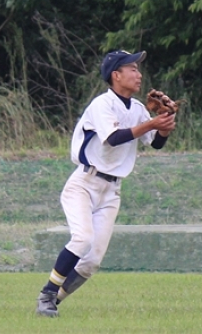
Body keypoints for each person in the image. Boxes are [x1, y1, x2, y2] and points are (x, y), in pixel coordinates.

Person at [35, 49, 176, 317]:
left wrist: (165, 126)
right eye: (132, 68)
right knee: (82, 238)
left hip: (112, 191)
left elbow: (156, 143)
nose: (138, 74)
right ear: (116, 75)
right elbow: (113, 138)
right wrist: (152, 124)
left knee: (92, 262)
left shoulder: (137, 109)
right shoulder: (103, 104)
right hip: (84, 183)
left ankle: (53, 301)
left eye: (138, 68)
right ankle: (46, 295)